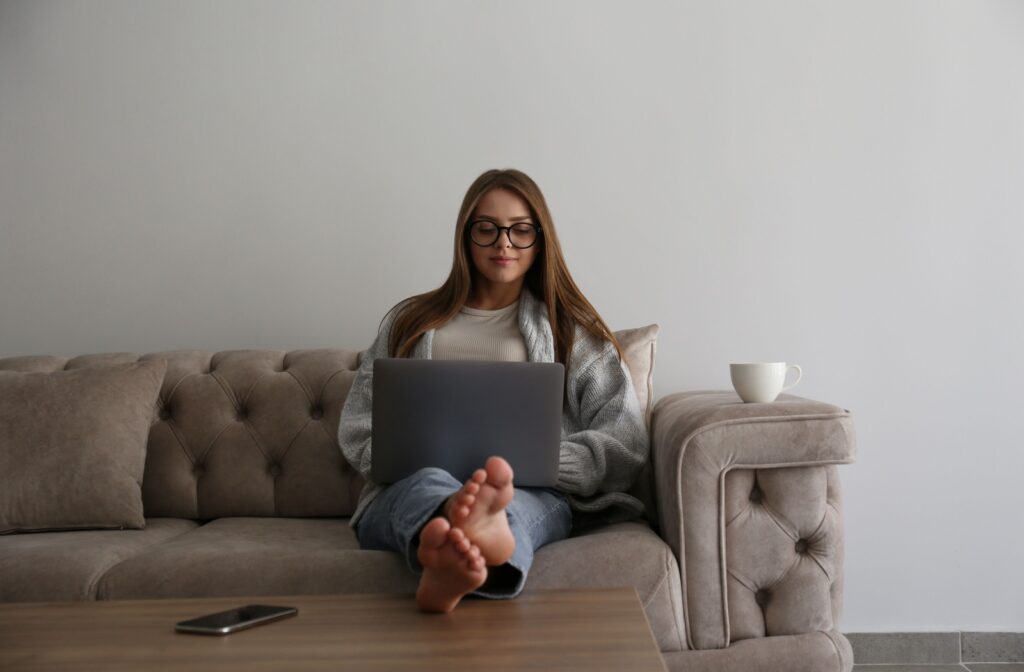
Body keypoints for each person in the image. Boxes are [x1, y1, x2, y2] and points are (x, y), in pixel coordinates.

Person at [338, 168, 649, 613]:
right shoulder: (409, 322)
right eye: (487, 229)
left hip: (528, 490)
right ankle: (464, 526)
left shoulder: (572, 332)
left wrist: (537, 463)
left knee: (514, 508)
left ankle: (455, 551)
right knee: (429, 484)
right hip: (414, 484)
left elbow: (625, 440)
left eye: (520, 230)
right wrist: (410, 463)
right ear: (465, 237)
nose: (504, 243)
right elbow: (357, 424)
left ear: (540, 240)